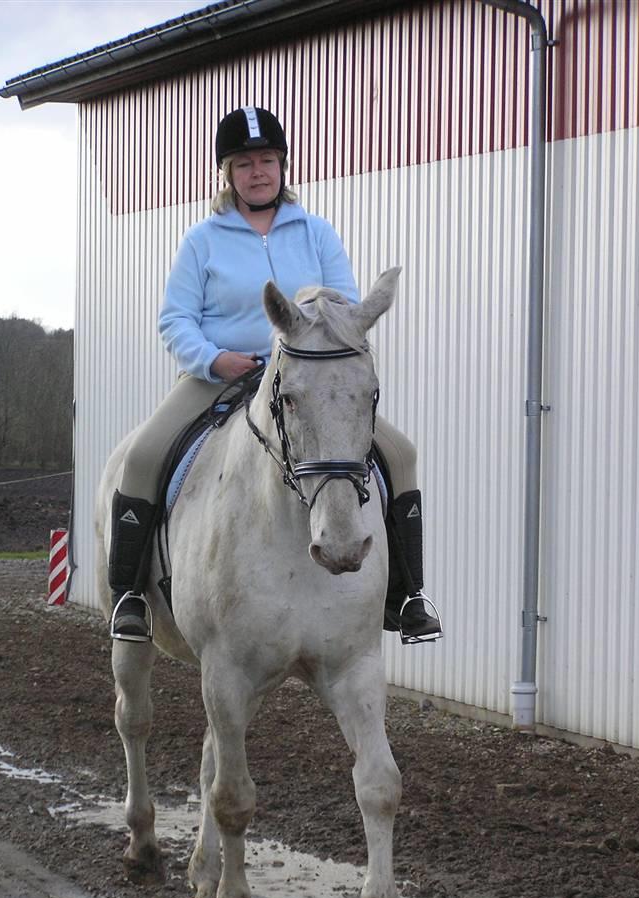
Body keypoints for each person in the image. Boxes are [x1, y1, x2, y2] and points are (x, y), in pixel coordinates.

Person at [108, 106, 442, 645]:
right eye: (244, 163)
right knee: (143, 455)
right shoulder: (203, 240)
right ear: (228, 173)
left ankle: (408, 594)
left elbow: (345, 307)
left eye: (267, 160)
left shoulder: (316, 233)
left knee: (399, 455)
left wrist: (316, 347)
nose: (257, 171)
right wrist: (213, 359)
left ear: (283, 166)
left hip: (305, 380)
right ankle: (128, 594)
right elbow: (175, 319)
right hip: (221, 374)